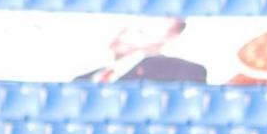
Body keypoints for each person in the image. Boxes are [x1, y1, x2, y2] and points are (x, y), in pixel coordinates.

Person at [75, 18, 208, 83]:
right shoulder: (81, 80)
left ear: (172, 34)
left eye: (140, 31)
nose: (126, 32)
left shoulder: (180, 72)